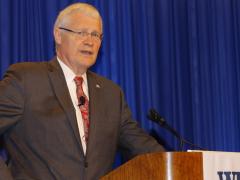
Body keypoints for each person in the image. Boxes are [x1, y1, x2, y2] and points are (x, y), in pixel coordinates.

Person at [0, 3, 164, 180]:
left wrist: (187, 160)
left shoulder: (111, 94)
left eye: (95, 35)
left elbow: (143, 148)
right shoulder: (26, 79)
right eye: (81, 33)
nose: (90, 41)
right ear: (58, 35)